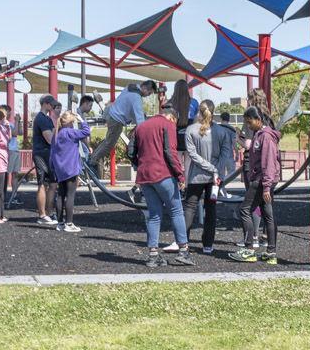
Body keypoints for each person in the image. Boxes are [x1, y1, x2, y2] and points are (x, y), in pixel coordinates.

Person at [132, 104, 194, 267]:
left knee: (154, 214)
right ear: (172, 117)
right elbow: (170, 151)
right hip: (163, 174)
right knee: (176, 211)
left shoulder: (141, 126)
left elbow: (131, 151)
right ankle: (183, 251)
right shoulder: (168, 125)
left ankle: (153, 255)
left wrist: (140, 165)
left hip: (145, 176)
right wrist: (180, 176)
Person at [229, 106, 281, 264]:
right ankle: (271, 252)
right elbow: (254, 150)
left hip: (262, 180)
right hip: (263, 179)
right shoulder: (259, 134)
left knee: (245, 209)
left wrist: (266, 186)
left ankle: (249, 249)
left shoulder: (266, 136)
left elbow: (268, 162)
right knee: (267, 212)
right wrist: (241, 139)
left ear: (258, 120)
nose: (248, 125)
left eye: (249, 122)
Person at [181, 100, 233, 254]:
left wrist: (210, 168)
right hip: (214, 179)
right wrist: (217, 171)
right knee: (211, 210)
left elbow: (193, 155)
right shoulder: (222, 132)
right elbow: (225, 155)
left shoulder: (190, 130)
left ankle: (183, 243)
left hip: (196, 176)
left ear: (198, 112)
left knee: (189, 208)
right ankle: (208, 245)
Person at [236, 88, 275, 247]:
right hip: (268, 171)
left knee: (249, 205)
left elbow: (249, 144)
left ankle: (252, 238)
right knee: (267, 206)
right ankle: (268, 242)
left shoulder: (251, 119)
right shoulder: (269, 120)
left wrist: (238, 138)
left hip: (252, 164)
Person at [89, 80, 157, 170]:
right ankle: (92, 161)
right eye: (149, 93)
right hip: (117, 120)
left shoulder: (130, 86)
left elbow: (128, 106)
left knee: (107, 141)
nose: (148, 95)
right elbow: (140, 121)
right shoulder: (137, 98)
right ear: (144, 88)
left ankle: (92, 157)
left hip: (110, 112)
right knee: (109, 144)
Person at [50, 111, 91, 233]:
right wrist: (82, 120)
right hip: (71, 168)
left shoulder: (56, 134)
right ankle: (69, 223)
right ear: (70, 123)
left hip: (59, 169)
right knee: (70, 195)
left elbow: (52, 153)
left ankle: (60, 223)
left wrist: (53, 168)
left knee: (61, 195)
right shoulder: (70, 132)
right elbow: (86, 132)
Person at [32, 95, 58, 225]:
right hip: (42, 153)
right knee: (42, 183)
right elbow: (50, 138)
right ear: (46, 104)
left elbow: (55, 134)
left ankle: (49, 212)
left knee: (53, 184)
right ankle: (42, 215)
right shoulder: (41, 118)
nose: (53, 106)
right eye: (52, 104)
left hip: (49, 153)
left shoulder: (48, 118)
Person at [0, 104, 22, 206]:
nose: (9, 114)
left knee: (15, 174)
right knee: (6, 174)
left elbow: (20, 132)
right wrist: (17, 121)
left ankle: (14, 195)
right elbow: (15, 133)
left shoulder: (11, 123)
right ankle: (2, 196)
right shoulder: (4, 124)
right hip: (9, 150)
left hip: (15, 150)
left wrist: (19, 121)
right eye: (7, 111)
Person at [218, 111, 237, 198]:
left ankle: (221, 188)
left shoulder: (217, 128)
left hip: (219, 154)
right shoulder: (232, 129)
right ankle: (222, 188)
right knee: (232, 172)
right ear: (229, 119)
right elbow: (234, 142)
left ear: (221, 119)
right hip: (229, 154)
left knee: (220, 173)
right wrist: (236, 152)